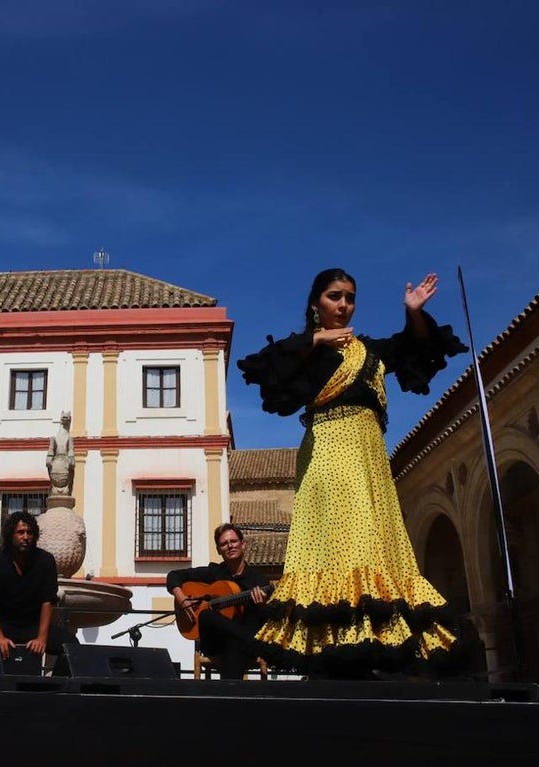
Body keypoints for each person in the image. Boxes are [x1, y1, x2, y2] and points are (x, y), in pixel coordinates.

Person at [236, 269, 469, 678]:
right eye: (334, 296)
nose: (344, 305)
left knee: (376, 543)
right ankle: (339, 645)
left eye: (350, 297)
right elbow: (270, 374)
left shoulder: (370, 350)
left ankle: (377, 640)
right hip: (330, 454)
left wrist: (414, 312)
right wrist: (314, 340)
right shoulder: (308, 351)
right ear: (316, 304)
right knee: (345, 543)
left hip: (370, 459)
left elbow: (415, 347)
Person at [0, 510, 78, 662]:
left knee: (72, 646)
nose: (26, 537)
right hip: (4, 626)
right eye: (20, 532)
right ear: (10, 535)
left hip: (34, 627)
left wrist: (41, 639)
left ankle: (57, 679)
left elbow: (47, 602)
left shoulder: (45, 561)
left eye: (29, 533)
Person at [167, 523, 273, 680]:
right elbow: (173, 575)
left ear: (243, 544)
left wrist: (262, 605)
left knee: (234, 641)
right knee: (206, 615)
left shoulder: (258, 581)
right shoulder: (214, 572)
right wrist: (182, 599)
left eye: (233, 541)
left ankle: (227, 692)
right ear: (218, 550)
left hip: (244, 645)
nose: (230, 546)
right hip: (214, 643)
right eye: (224, 543)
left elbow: (267, 618)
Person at [46, 410, 75, 497]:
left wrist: (71, 458)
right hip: (58, 463)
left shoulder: (69, 438)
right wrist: (50, 455)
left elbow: (71, 450)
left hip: (64, 463)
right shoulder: (55, 438)